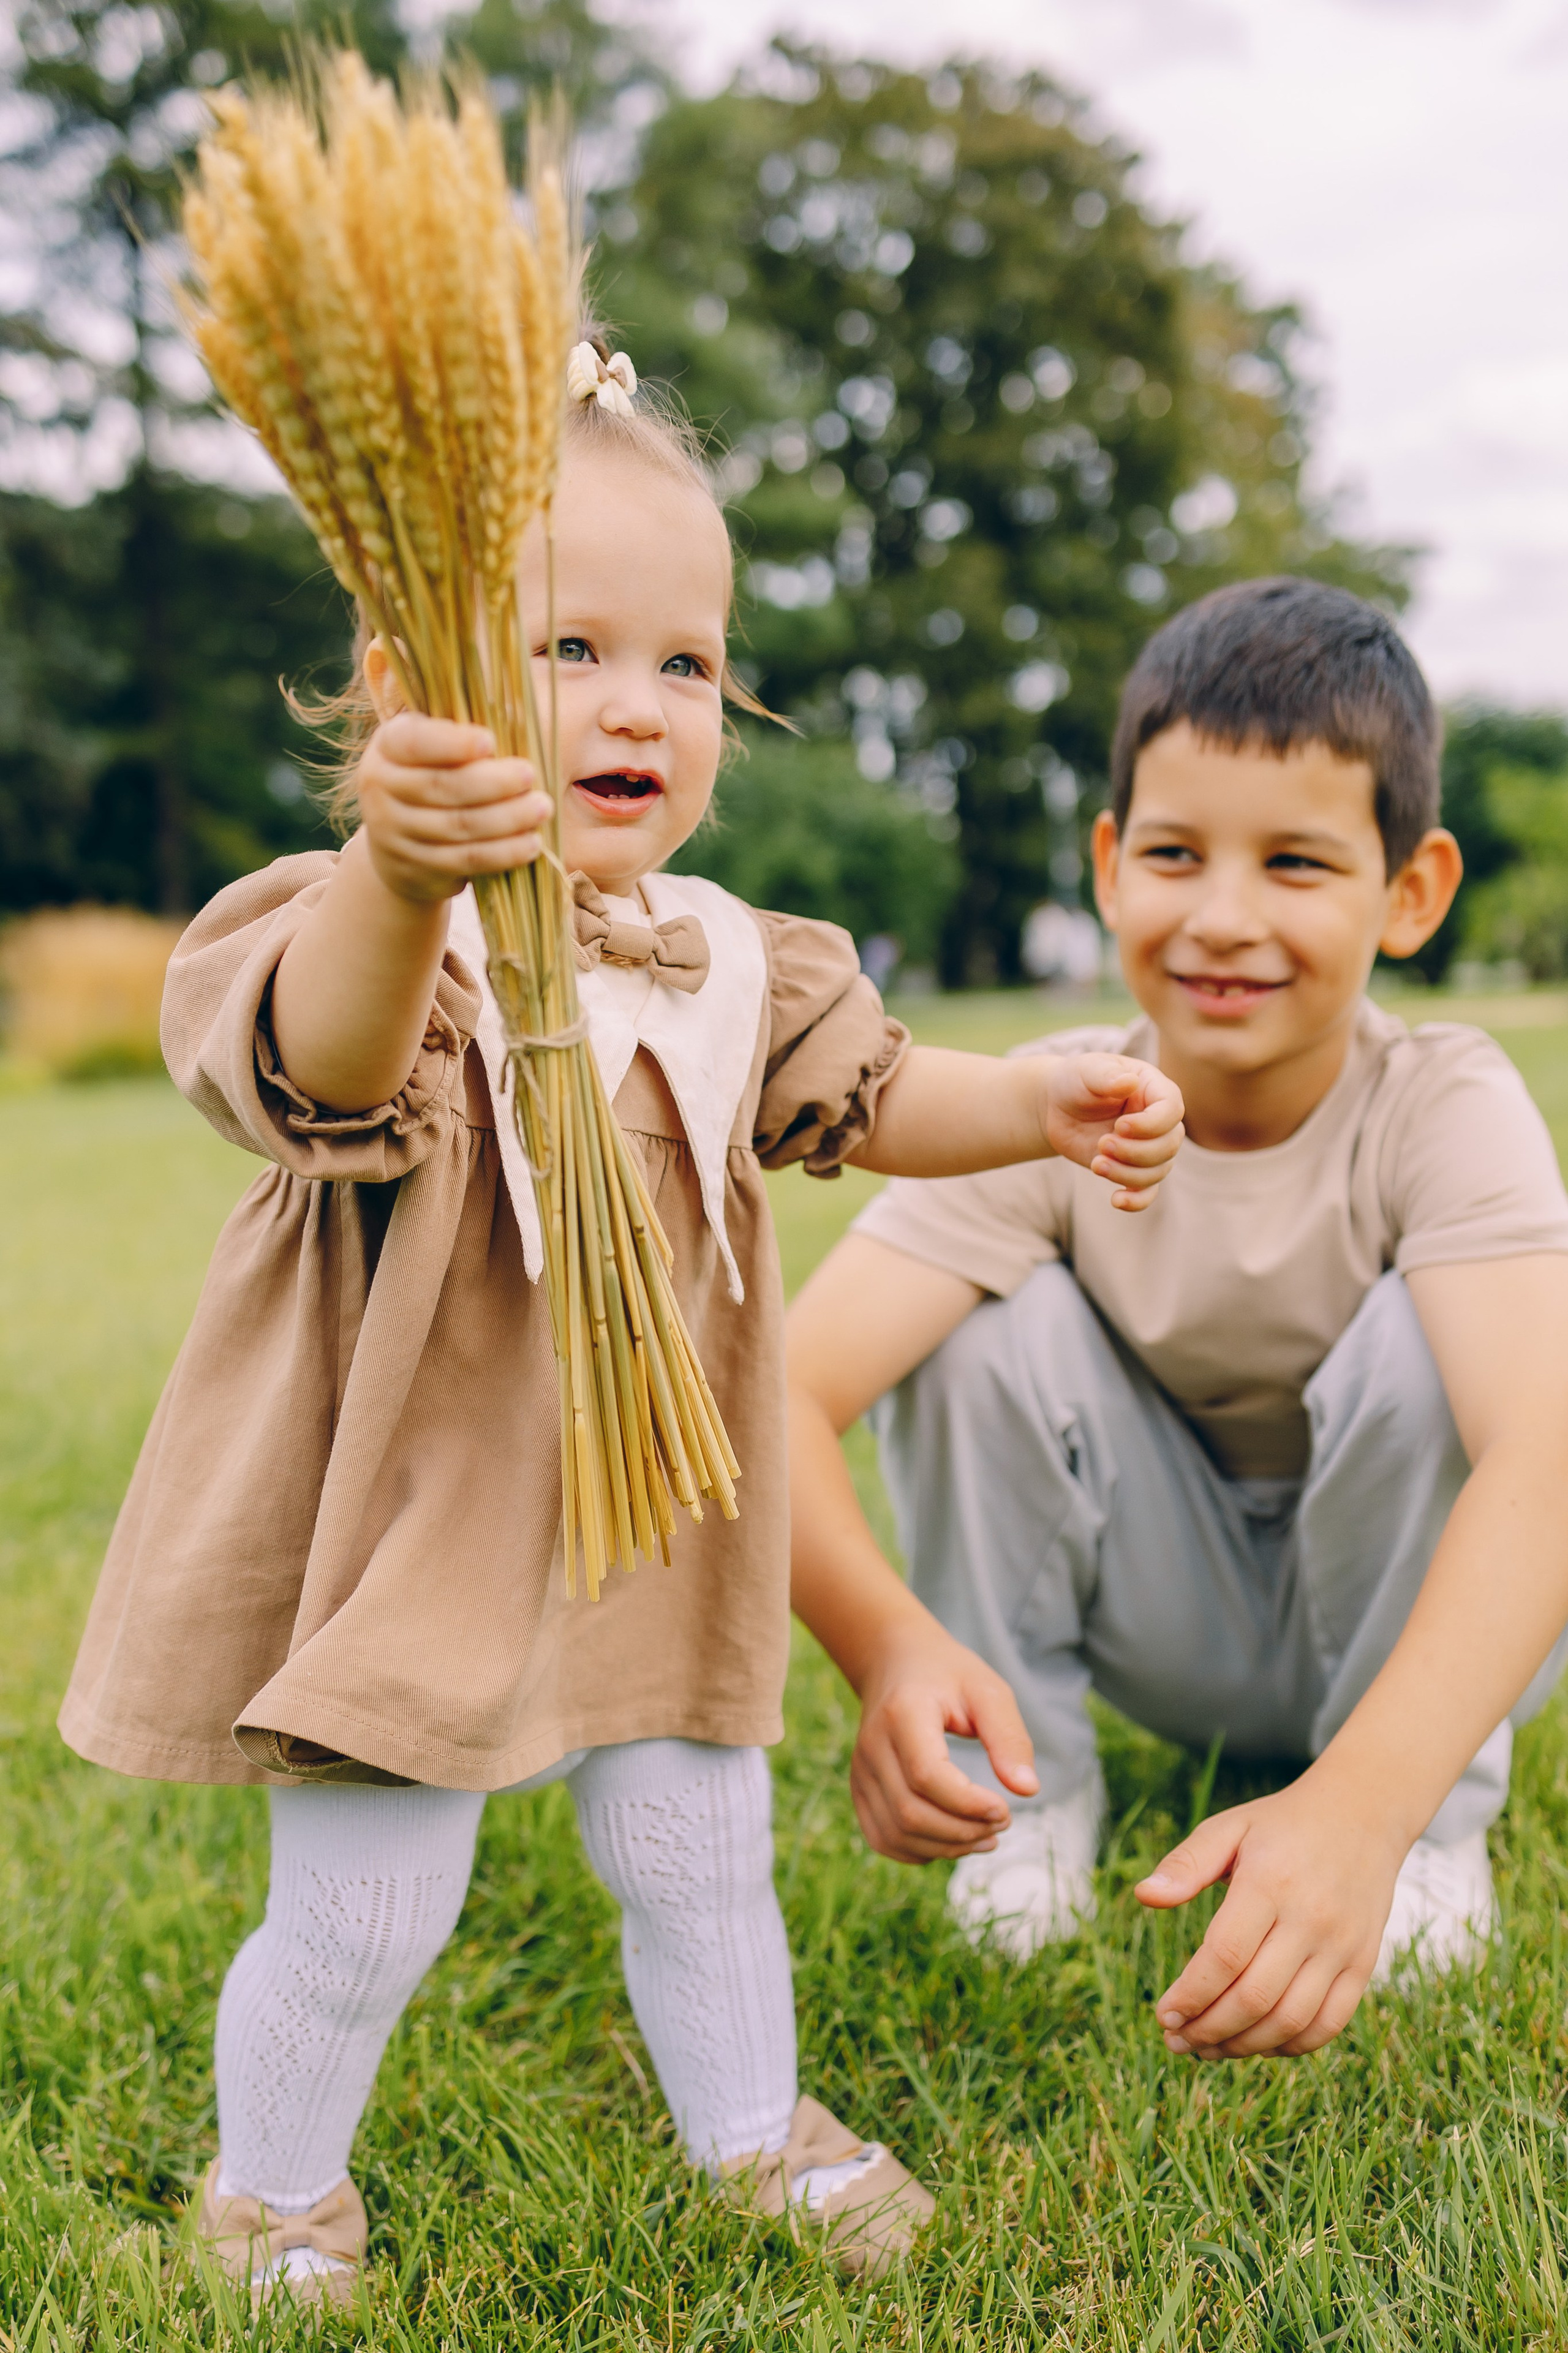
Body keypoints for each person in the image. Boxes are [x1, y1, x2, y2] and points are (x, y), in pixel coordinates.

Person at [58, 335, 1184, 2306]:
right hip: (421, 1520)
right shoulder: (361, 933)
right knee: (377, 1896)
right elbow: (320, 1069)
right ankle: (274, 2191)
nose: (640, 704)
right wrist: (406, 874)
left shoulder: (737, 953)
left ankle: (748, 2129)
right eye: (570, 649)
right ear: (416, 695)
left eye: (687, 662)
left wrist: (1040, 1099)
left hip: (652, 1512)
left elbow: (870, 1093)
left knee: (696, 1847)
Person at [787, 576, 1568, 2067]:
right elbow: (772, 1399)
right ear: (1105, 864)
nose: (1221, 917)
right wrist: (886, 1647)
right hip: (1175, 1611)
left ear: (1409, 890)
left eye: (1292, 861)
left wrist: (1361, 1802)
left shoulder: (1439, 1101)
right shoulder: (1050, 1101)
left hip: (1401, 1620)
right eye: (1171, 853)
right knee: (974, 1324)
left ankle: (1422, 1838)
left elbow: (1537, 1460)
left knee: (1441, 1341)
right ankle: (1027, 1802)